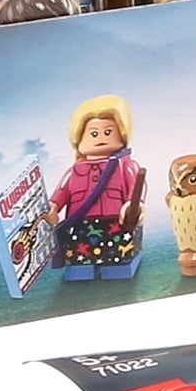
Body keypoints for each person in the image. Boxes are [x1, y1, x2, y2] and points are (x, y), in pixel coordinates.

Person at [50, 95, 146, 280]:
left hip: (116, 221)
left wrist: (135, 204)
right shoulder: (74, 170)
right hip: (80, 223)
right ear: (79, 138)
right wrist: (53, 206)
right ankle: (81, 267)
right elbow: (62, 191)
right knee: (80, 253)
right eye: (93, 133)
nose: (101, 138)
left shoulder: (125, 165)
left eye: (108, 132)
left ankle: (119, 264)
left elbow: (137, 186)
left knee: (118, 252)